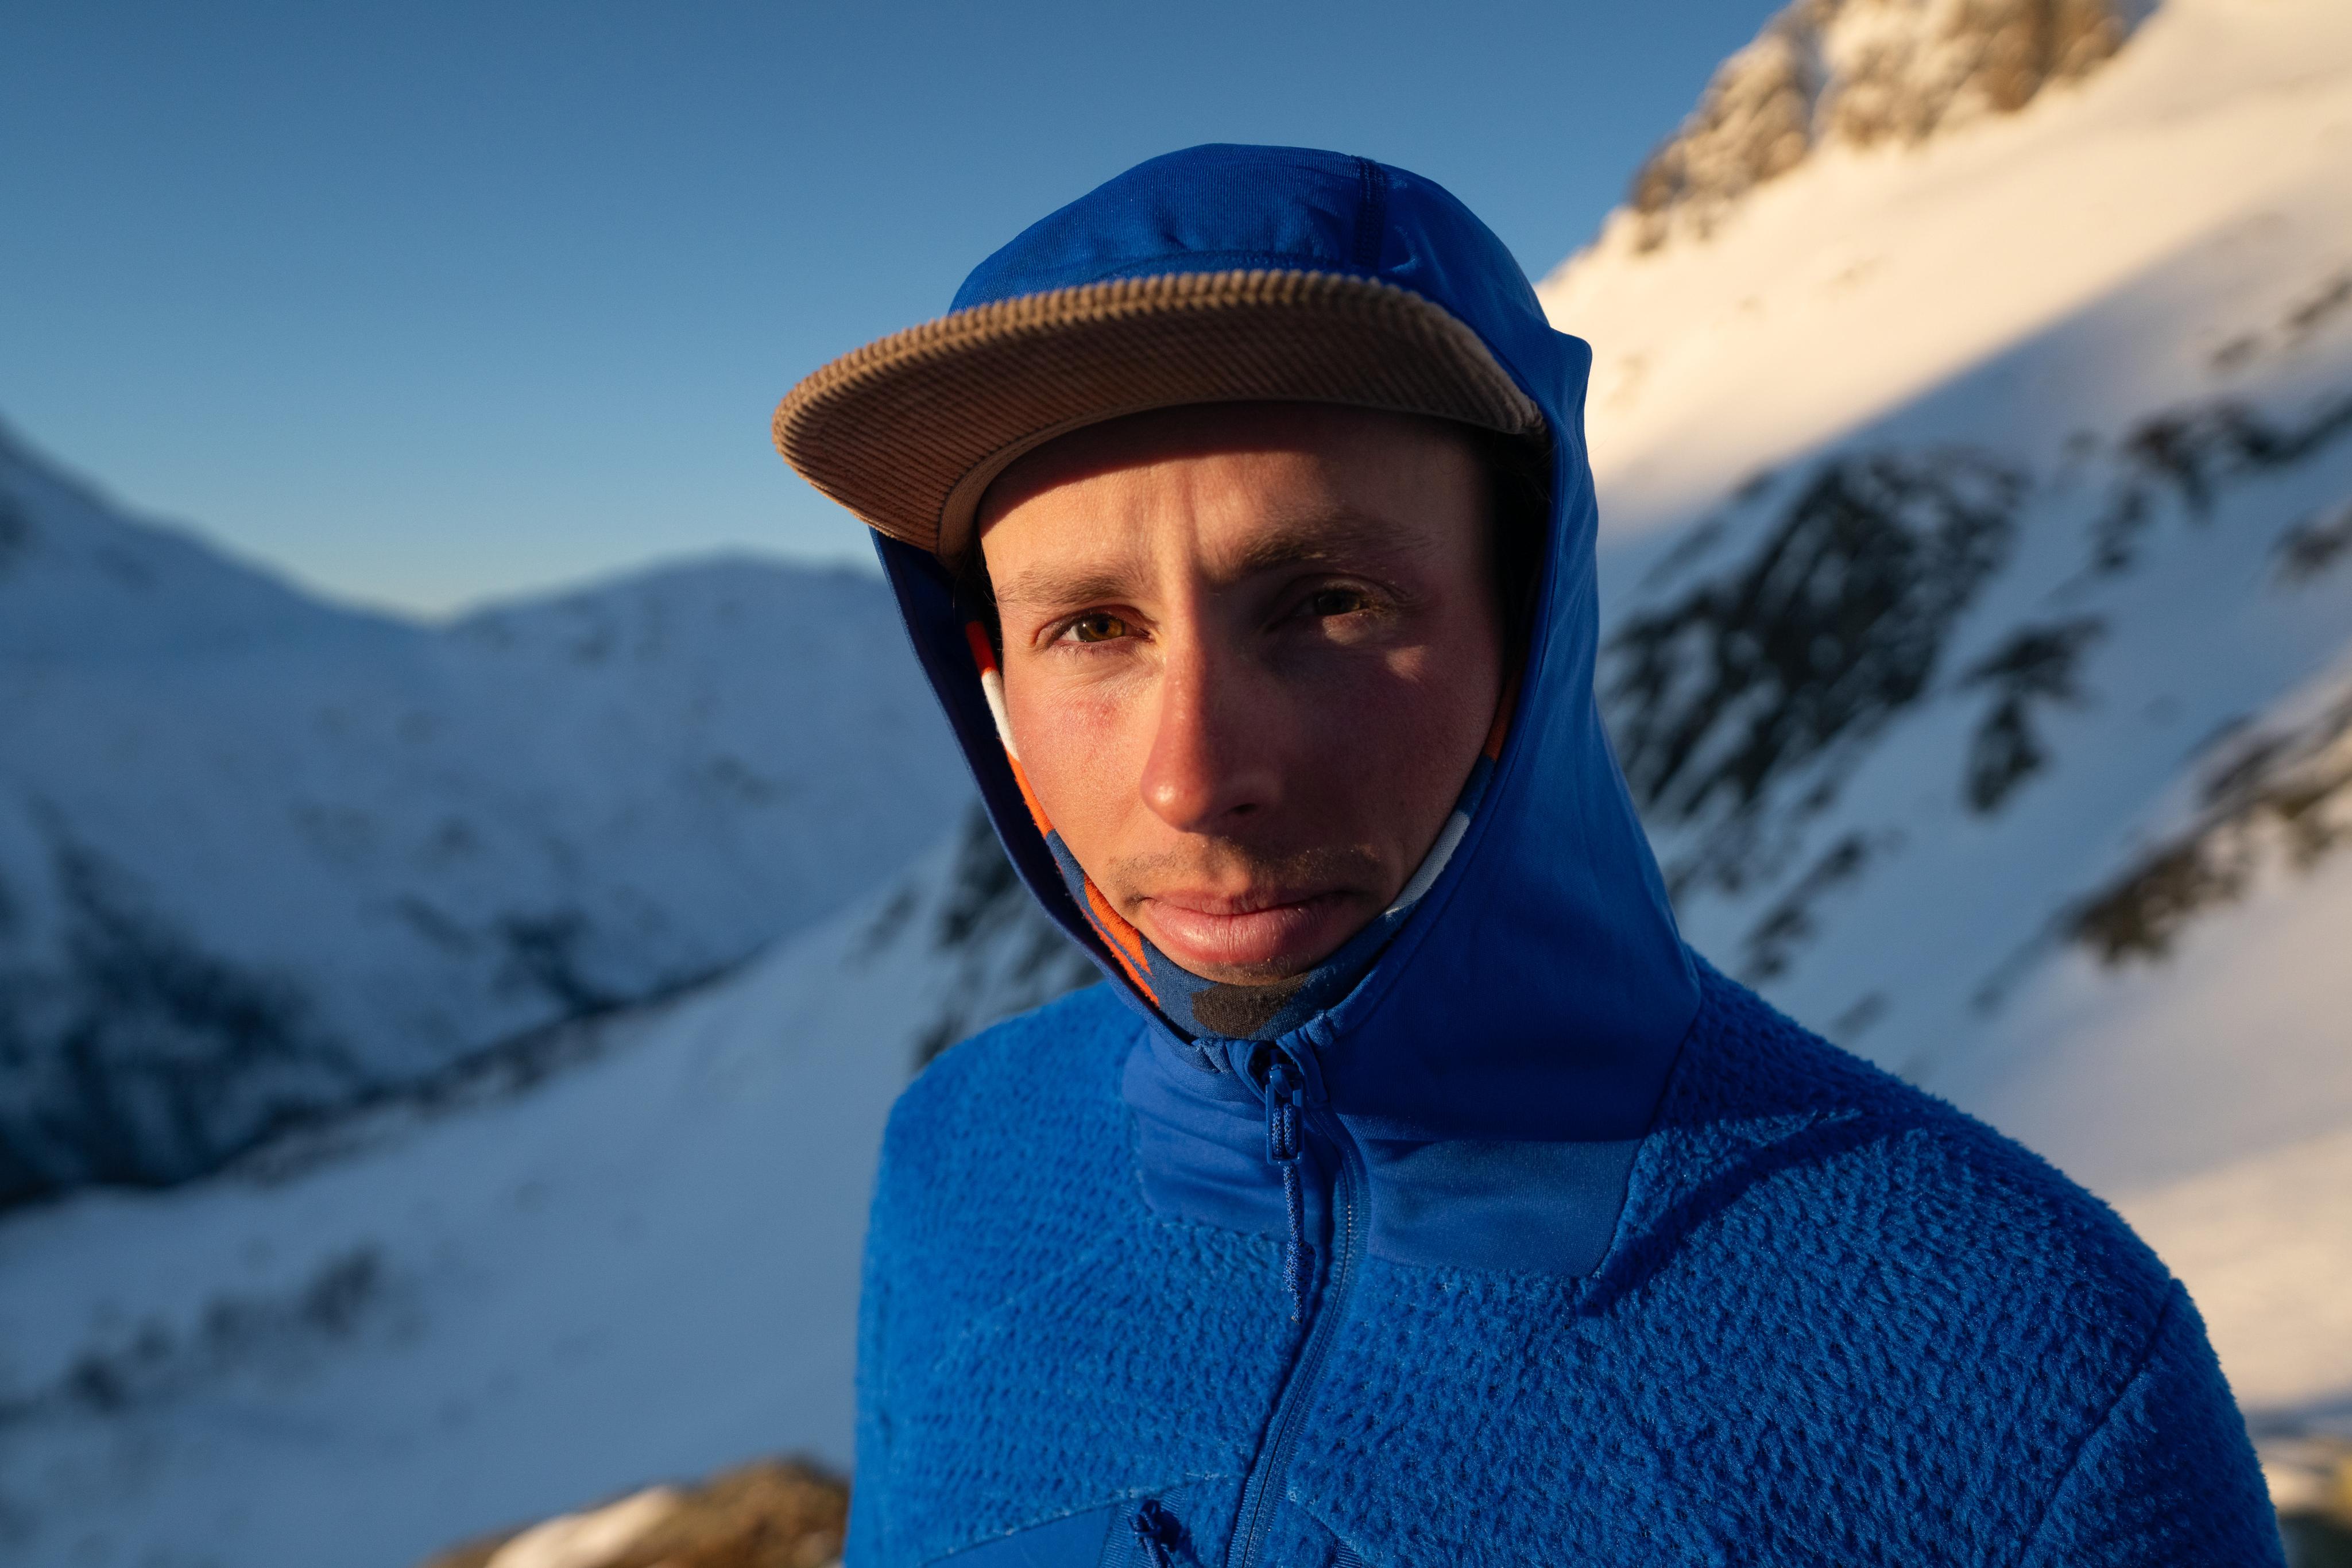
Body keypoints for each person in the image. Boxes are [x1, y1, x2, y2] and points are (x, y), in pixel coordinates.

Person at [773, 145, 2279, 1567]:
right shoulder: (957, 1163)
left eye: (1329, 601)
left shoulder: (2036, 1372)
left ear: (1531, 619)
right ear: (991, 672)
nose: (1194, 774)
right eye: (1091, 627)